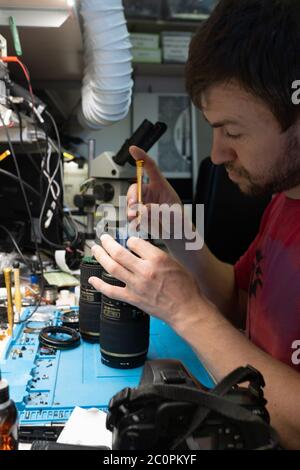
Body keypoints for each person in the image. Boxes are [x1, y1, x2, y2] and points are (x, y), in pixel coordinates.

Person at [88, 0, 300, 449]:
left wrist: (185, 310)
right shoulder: (284, 201)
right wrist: (175, 224)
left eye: (233, 132)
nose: (218, 154)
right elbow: (239, 301)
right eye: (213, 129)